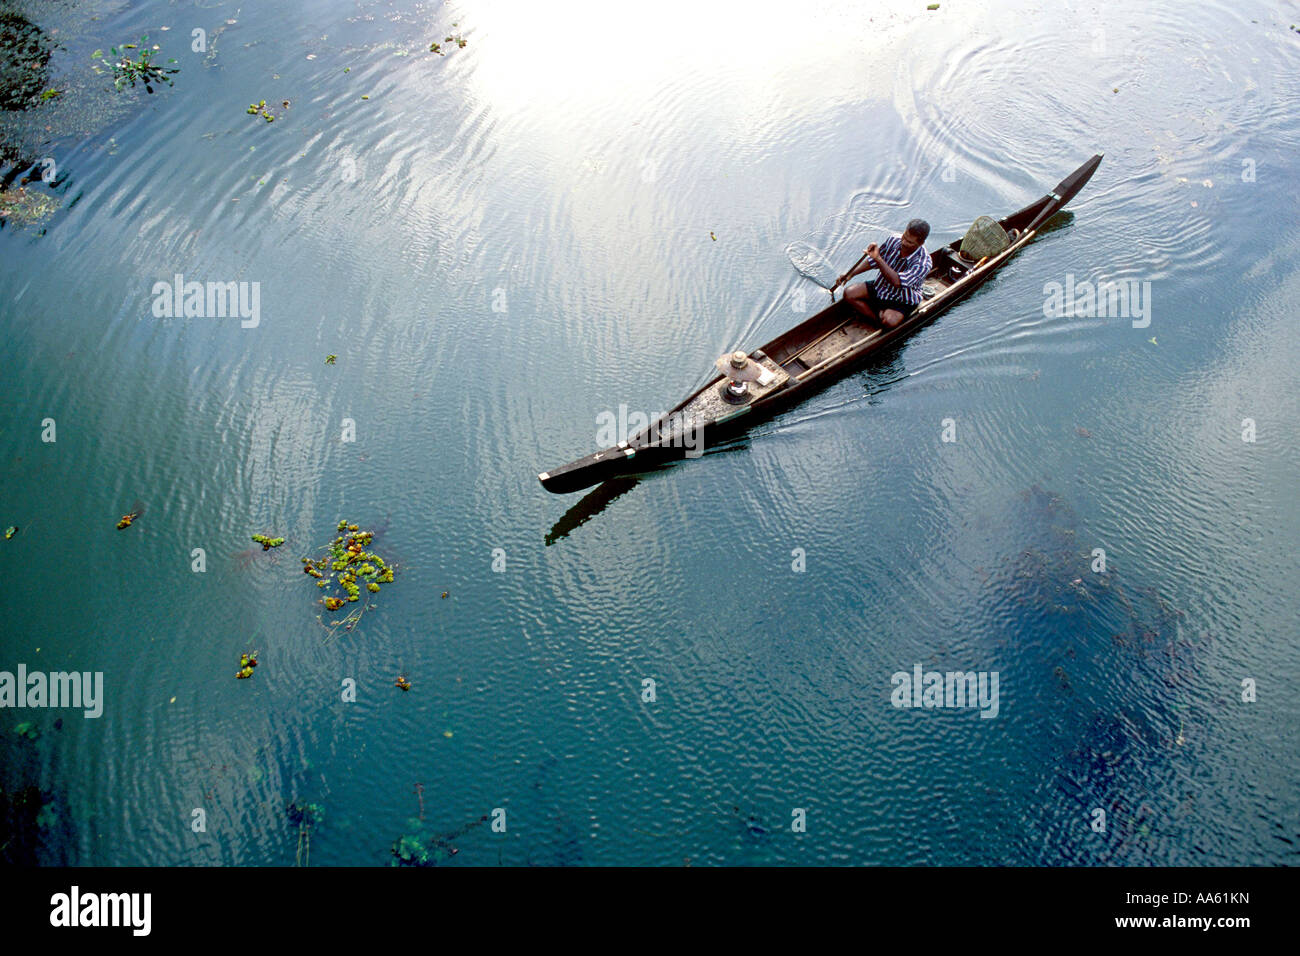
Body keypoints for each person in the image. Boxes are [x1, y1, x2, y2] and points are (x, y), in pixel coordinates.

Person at [839, 219, 932, 329]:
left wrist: (878, 259)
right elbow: (873, 260)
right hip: (881, 287)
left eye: (910, 242)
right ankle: (877, 320)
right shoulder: (893, 240)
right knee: (849, 294)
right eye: (904, 237)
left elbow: (897, 282)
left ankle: (882, 317)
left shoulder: (924, 263)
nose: (903, 243)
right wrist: (851, 274)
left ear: (921, 243)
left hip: (902, 299)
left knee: (889, 321)